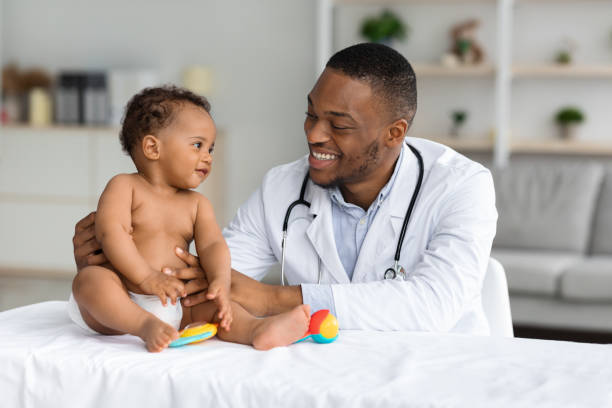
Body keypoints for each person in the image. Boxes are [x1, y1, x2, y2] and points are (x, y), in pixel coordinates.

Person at [73, 43, 497, 335]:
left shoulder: (461, 186)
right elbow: (203, 278)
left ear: (394, 132)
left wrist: (274, 298)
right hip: (320, 374)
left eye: (339, 124)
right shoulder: (282, 187)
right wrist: (117, 265)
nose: (314, 134)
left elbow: (434, 306)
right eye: (311, 114)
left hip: (439, 373)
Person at [69, 86, 310, 352]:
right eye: (197, 145)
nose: (207, 156)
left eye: (211, 148)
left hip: (173, 304)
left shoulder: (196, 204)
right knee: (90, 281)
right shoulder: (125, 187)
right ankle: (143, 326)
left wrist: (220, 281)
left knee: (216, 304)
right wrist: (147, 277)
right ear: (152, 147)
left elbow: (212, 246)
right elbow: (111, 232)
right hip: (121, 301)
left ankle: (257, 329)